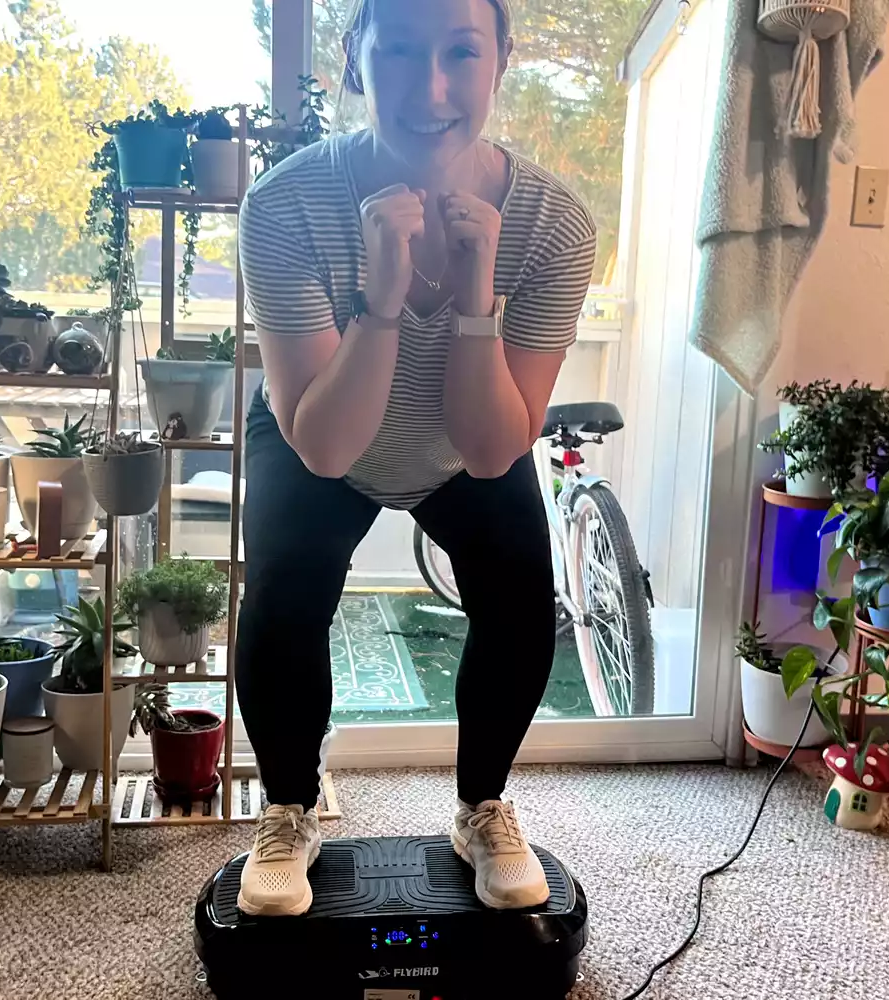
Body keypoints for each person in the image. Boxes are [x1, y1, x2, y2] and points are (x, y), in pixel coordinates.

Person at [234, 0, 596, 917]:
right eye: (395, 52)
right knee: (284, 592)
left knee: (518, 595)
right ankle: (288, 807)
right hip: (322, 418)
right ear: (355, 59)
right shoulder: (284, 204)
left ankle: (482, 809)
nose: (428, 89)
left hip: (463, 440)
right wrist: (382, 301)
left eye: (459, 54)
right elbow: (324, 445)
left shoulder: (555, 225)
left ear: (501, 60)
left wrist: (478, 301)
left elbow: (489, 450)